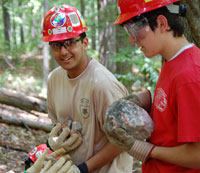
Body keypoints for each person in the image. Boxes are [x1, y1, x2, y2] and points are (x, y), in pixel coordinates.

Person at [107, 0, 200, 172]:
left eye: (135, 30)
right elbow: (173, 103)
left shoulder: (190, 75)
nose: (131, 39)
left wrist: (148, 151)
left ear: (161, 23)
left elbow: (197, 156)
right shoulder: (172, 60)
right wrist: (140, 100)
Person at [41, 4, 133, 173]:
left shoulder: (102, 84)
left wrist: (83, 169)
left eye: (70, 43)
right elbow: (58, 126)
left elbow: (124, 139)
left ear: (85, 42)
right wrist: (52, 145)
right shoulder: (54, 80)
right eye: (56, 45)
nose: (63, 51)